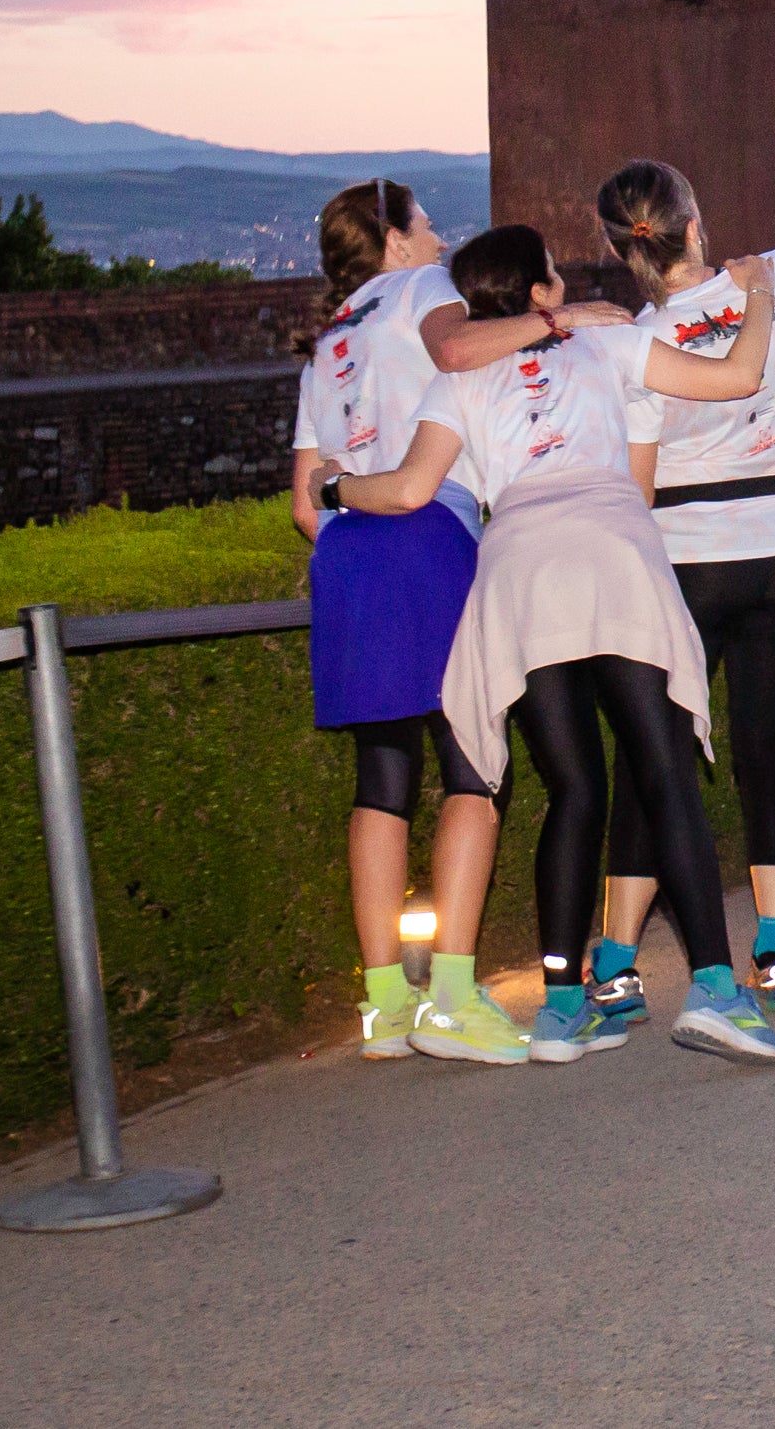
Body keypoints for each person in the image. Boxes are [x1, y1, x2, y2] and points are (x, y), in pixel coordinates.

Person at [338, 222, 775, 1066]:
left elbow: (406, 488)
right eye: (554, 273)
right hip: (612, 556)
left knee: (574, 788)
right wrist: (761, 291)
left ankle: (559, 1007)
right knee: (663, 768)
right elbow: (739, 374)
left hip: (521, 575)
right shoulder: (606, 343)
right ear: (542, 293)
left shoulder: (465, 378)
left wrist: (334, 485)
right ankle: (715, 989)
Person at [574, 114, 775, 1034]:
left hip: (689, 560)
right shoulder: (768, 280)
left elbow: (639, 480)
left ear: (625, 250)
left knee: (655, 757)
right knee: (766, 743)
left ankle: (618, 961)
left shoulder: (634, 343)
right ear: (695, 224)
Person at [288, 180, 528, 1067]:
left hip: (350, 550)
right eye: (423, 224)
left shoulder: (328, 341)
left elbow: (307, 501)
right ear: (392, 240)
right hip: (429, 534)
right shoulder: (426, 290)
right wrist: (555, 321)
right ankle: (455, 997)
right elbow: (461, 350)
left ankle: (386, 1001)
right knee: (475, 767)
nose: (435, 237)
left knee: (381, 775)